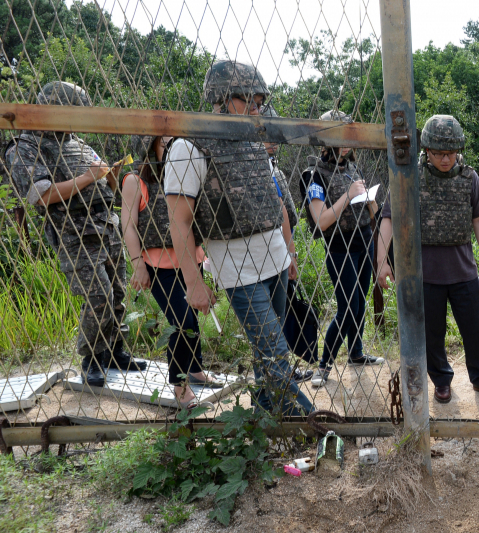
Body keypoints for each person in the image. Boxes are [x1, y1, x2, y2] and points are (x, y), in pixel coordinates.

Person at [164, 60, 313, 416]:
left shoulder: (251, 137)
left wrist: (289, 253)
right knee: (275, 352)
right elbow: (179, 221)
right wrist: (193, 282)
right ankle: (310, 421)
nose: (256, 108)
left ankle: (263, 417)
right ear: (220, 98)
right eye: (248, 99)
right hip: (238, 271)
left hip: (275, 259)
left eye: (259, 101)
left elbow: (274, 201)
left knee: (269, 355)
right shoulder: (189, 147)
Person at [6, 81, 146, 387]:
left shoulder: (79, 143)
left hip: (105, 226)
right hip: (74, 233)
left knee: (118, 295)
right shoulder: (26, 146)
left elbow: (104, 187)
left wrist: (111, 176)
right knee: (98, 296)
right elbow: (39, 195)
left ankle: (114, 352)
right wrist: (86, 177)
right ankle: (91, 358)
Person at [375, 115, 479, 404]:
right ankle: (441, 381)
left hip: (463, 271)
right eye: (439, 153)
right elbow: (388, 218)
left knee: (474, 329)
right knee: (433, 334)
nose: (446, 159)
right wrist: (381, 261)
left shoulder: (469, 178)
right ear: (427, 151)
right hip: (426, 273)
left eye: (451, 153)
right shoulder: (409, 177)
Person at [120, 134, 217, 410]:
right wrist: (137, 263)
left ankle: (195, 370)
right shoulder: (135, 181)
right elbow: (128, 225)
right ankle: (180, 386)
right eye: (165, 143)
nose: (173, 148)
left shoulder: (184, 174)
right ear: (151, 146)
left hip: (190, 260)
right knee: (182, 320)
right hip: (159, 265)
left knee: (193, 318)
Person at [299, 110, 383, 386]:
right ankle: (324, 365)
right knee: (347, 307)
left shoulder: (352, 168)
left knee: (360, 303)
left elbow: (371, 212)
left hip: (364, 238)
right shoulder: (315, 175)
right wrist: (348, 195)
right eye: (340, 135)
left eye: (349, 134)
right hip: (339, 245)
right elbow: (322, 221)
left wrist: (371, 201)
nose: (346, 142)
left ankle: (356, 353)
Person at [258, 104, 314, 381]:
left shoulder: (272, 169)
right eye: (267, 134)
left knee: (279, 318)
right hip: (256, 261)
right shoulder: (252, 170)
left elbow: (286, 217)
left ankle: (283, 370)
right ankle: (275, 377)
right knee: (266, 324)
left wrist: (290, 254)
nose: (274, 141)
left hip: (279, 256)